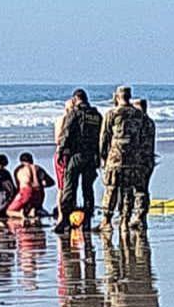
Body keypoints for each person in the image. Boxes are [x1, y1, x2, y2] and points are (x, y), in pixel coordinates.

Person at [98, 86, 149, 231]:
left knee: (111, 189)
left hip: (116, 158)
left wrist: (102, 156)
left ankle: (107, 221)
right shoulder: (138, 114)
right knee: (128, 190)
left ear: (117, 97)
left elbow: (104, 137)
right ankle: (124, 220)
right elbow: (143, 136)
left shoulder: (112, 114)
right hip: (134, 159)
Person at [54, 89, 102, 234]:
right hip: (92, 156)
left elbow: (67, 134)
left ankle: (66, 220)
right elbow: (102, 137)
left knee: (69, 188)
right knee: (88, 190)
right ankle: (87, 220)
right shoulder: (97, 115)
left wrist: (61, 150)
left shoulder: (74, 113)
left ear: (75, 99)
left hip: (77, 155)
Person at [131, 98, 157, 230]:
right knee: (144, 189)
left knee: (139, 190)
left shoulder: (138, 123)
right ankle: (142, 216)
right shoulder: (151, 123)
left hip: (139, 160)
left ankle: (139, 217)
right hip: (149, 160)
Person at [6, 152, 54, 220]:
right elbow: (50, 182)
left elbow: (18, 186)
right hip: (39, 193)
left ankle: (20, 214)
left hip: (26, 191)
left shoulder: (19, 169)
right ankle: (32, 210)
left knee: (9, 211)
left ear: (21, 161)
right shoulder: (38, 168)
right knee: (31, 204)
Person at [53, 98, 75, 223]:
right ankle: (62, 215)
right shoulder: (65, 120)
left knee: (66, 187)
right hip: (64, 154)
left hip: (64, 154)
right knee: (63, 187)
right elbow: (58, 140)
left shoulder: (63, 119)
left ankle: (67, 213)